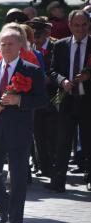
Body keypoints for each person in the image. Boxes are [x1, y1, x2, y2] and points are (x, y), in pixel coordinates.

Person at [0, 27, 47, 223]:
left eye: (10, 44)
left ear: (20, 47)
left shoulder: (31, 70)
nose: (6, 48)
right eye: (3, 44)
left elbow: (42, 100)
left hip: (18, 132)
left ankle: (16, 219)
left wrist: (19, 100)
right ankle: (4, 208)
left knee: (18, 178)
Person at [47, 10, 91, 192]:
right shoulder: (61, 45)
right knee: (63, 140)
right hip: (67, 100)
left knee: (89, 141)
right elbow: (52, 71)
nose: (80, 29)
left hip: (87, 101)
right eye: (76, 25)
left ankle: (89, 176)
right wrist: (62, 81)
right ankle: (58, 181)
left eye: (83, 25)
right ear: (70, 26)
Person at [27, 17, 58, 178]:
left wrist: (49, 80)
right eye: (32, 37)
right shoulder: (29, 51)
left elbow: (59, 70)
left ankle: (54, 163)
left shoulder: (55, 47)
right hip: (35, 98)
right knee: (37, 134)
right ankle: (42, 165)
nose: (35, 40)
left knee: (52, 133)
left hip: (53, 97)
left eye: (37, 36)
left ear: (45, 34)